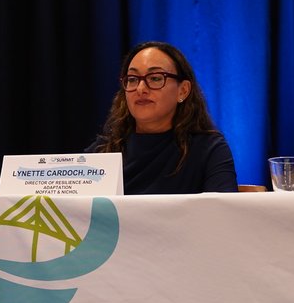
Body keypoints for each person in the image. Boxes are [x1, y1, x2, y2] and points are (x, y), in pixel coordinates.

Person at [91, 41, 237, 194]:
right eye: (132, 79)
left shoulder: (208, 149)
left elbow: (223, 208)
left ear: (183, 90)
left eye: (155, 78)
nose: (140, 89)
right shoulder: (105, 150)